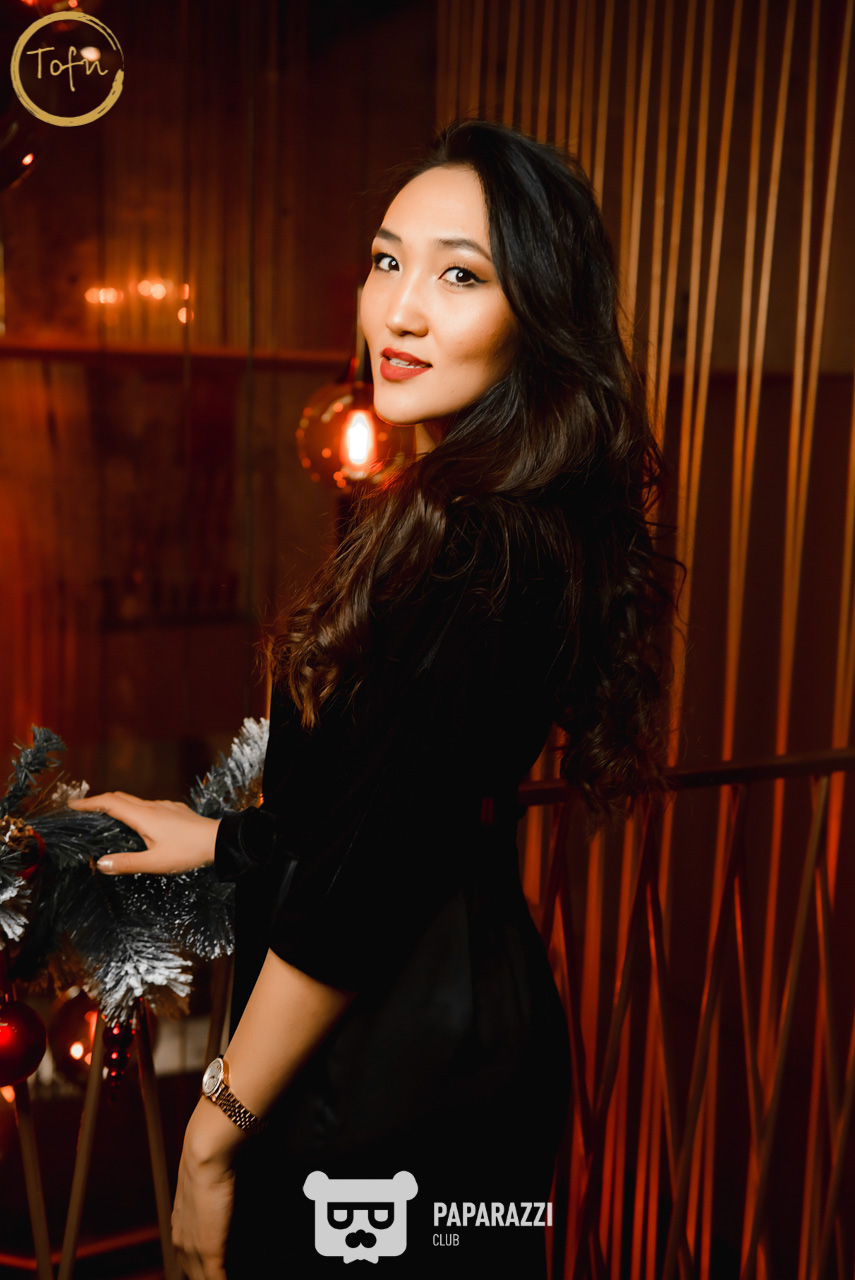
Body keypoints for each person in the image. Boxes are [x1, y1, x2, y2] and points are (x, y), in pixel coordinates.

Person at [70, 118, 679, 1278]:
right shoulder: (478, 511)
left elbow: (367, 878)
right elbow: (379, 808)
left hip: (400, 1073)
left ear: (538, 314)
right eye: (388, 259)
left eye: (461, 275)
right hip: (436, 1035)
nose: (399, 309)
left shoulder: (481, 546)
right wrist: (214, 836)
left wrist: (214, 1131)